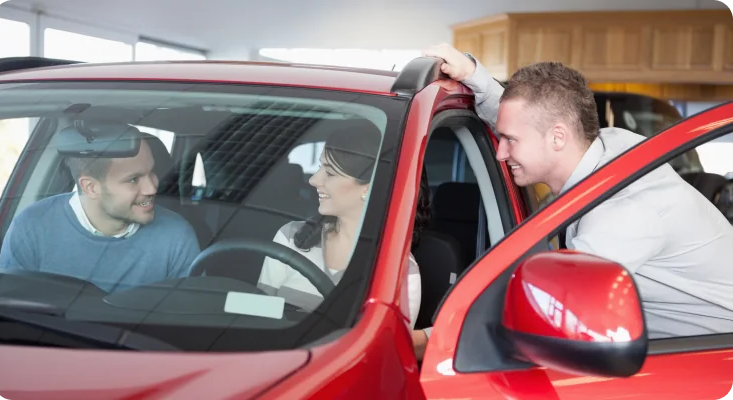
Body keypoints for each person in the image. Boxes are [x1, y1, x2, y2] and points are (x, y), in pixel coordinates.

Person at [410, 43, 733, 355]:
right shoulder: (611, 145)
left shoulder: (625, 213)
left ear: (558, 137)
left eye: (509, 140)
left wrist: (425, 341)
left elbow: (545, 307)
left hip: (706, 356)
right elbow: (528, 122)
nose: (500, 152)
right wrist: (472, 73)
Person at [257, 119, 425, 329]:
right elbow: (258, 313)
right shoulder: (291, 236)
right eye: (319, 168)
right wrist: (222, 298)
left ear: (368, 187)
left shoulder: (399, 270)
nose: (313, 180)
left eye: (330, 173)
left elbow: (384, 347)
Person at [0, 134, 201, 293]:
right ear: (91, 187)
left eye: (152, 172)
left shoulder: (177, 236)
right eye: (133, 179)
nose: (152, 187)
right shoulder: (31, 228)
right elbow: (11, 316)